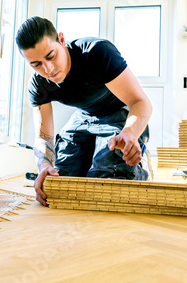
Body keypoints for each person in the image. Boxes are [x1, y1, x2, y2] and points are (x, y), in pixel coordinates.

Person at [15, 16, 153, 206]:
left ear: (61, 40)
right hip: (84, 117)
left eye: (50, 56)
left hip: (118, 113)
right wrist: (43, 165)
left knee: (106, 182)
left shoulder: (97, 53)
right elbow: (44, 134)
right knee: (60, 184)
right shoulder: (38, 85)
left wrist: (130, 132)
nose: (48, 69)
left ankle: (140, 168)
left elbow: (141, 102)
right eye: (36, 64)